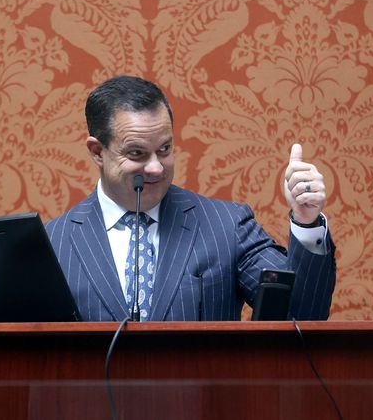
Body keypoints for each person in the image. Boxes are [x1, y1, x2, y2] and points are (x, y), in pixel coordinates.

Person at [45, 75, 335, 321]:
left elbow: (300, 314)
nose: (156, 167)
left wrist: (306, 223)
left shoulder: (227, 227)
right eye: (137, 153)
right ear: (97, 152)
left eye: (165, 149)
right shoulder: (53, 243)